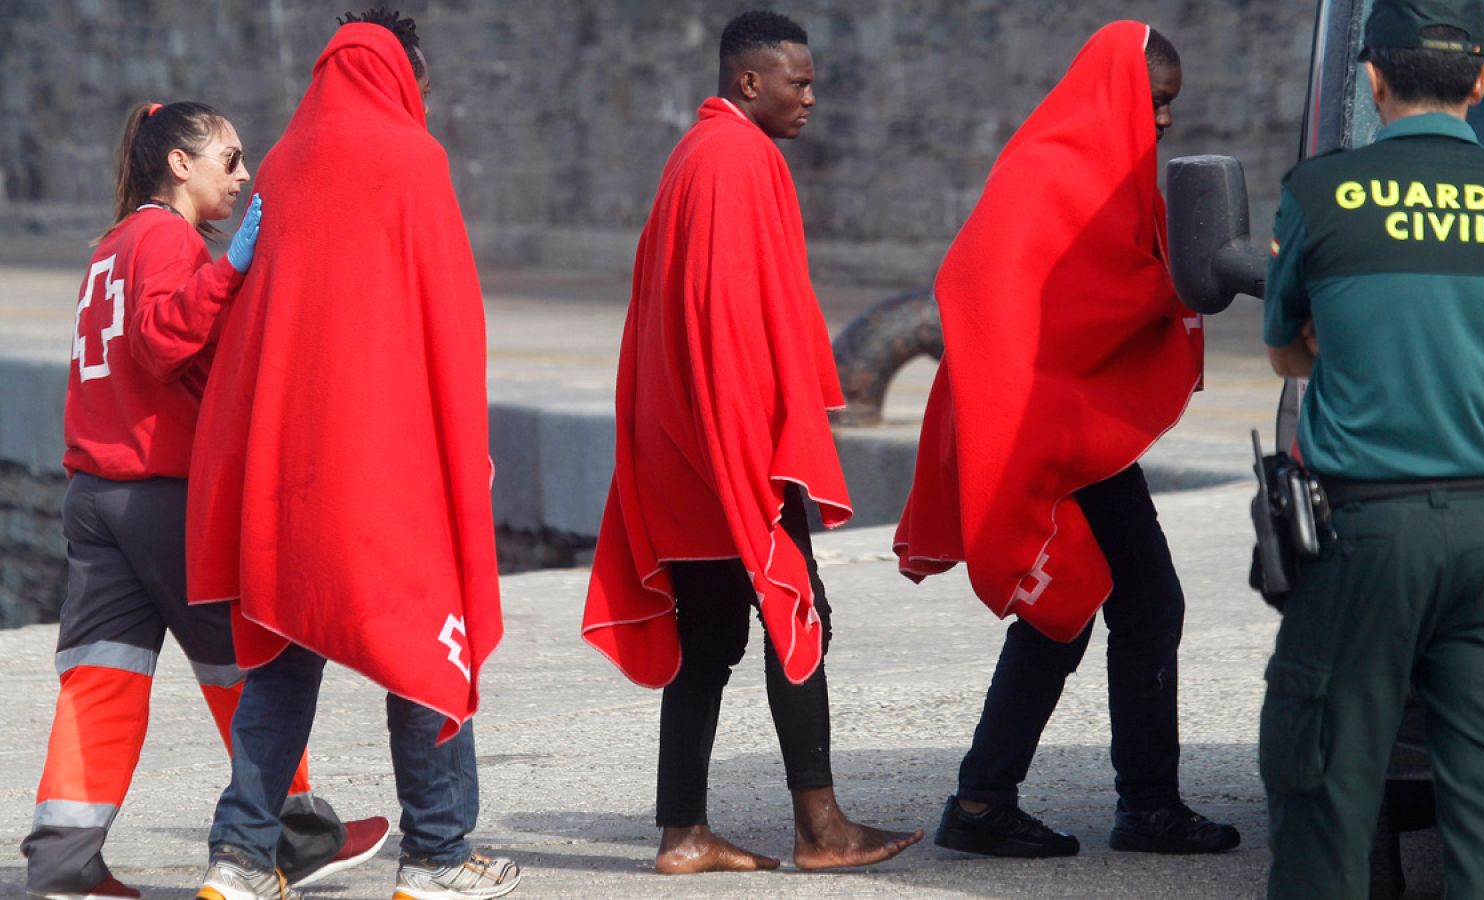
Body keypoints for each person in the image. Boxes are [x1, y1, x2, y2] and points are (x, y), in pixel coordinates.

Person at [184, 10, 518, 900]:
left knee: (284, 659)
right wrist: (461, 452)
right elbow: (451, 319)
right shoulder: (414, 162)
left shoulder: (285, 166)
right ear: (401, 77)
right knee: (422, 645)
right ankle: (439, 854)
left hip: (290, 471)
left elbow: (253, 326)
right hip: (389, 467)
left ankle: (243, 857)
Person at [582, 9, 923, 876]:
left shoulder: (698, 154)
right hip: (725, 445)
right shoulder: (740, 159)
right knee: (795, 610)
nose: (811, 97)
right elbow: (729, 328)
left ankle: (684, 835)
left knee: (708, 638)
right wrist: (758, 459)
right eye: (797, 82)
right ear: (749, 82)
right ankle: (822, 829)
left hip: (681, 440)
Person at [20, 101, 389, 900]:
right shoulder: (163, 239)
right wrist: (231, 273)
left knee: (99, 679)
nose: (244, 174)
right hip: (162, 493)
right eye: (229, 157)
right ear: (179, 164)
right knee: (252, 663)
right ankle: (297, 833)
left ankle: (62, 861)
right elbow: (160, 343)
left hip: (94, 494)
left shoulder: (112, 245)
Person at [894, 21, 1240, 859]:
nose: (1162, 122)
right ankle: (1089, 805)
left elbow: (1110, 282)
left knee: (1105, 606)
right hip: (1041, 427)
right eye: (1154, 102)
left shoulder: (1106, 177)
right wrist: (1170, 288)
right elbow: (989, 288)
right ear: (1116, 93)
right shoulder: (1049, 171)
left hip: (1071, 425)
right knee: (1113, 606)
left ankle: (1004, 799)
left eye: (1172, 108)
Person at [1258, 0, 1484, 894]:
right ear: (1481, 81)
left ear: (1372, 76)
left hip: (1367, 536)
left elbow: (1287, 353)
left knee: (1327, 789)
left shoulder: (1321, 194)